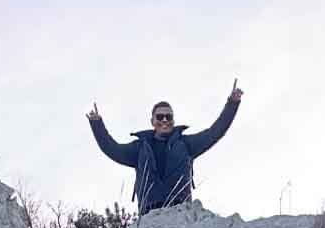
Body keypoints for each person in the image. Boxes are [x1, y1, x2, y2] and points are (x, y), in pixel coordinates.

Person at [86, 82, 244, 215]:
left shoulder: (186, 144)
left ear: (173, 120)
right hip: (149, 214)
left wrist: (232, 103)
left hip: (181, 211)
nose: (164, 120)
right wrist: (96, 123)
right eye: (159, 117)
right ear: (152, 121)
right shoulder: (140, 148)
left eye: (168, 117)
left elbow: (214, 133)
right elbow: (112, 149)